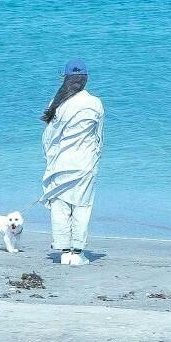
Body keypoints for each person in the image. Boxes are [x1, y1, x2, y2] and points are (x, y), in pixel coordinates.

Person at [40, 59, 104, 266]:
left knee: (60, 205)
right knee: (82, 206)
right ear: (85, 79)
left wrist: (50, 159)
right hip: (84, 162)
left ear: (65, 79)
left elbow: (48, 137)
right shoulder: (95, 103)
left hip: (60, 162)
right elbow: (99, 138)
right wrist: (95, 158)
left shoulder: (56, 103)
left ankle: (64, 250)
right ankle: (77, 252)